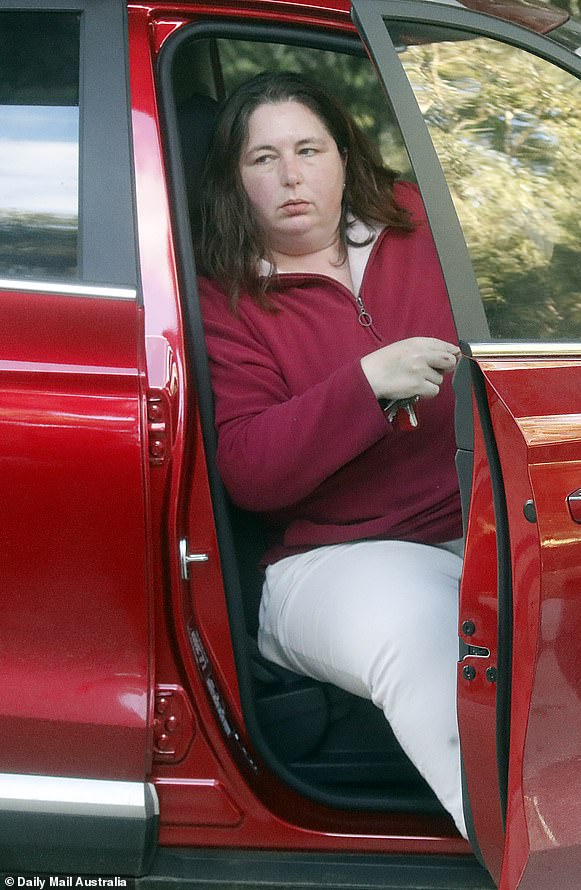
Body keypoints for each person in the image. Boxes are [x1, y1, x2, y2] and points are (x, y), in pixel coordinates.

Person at [197, 72, 466, 838]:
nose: (290, 176)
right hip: (334, 559)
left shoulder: (423, 218)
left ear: (346, 157)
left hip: (486, 521)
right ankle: (541, 861)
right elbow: (249, 469)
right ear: (234, 180)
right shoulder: (224, 298)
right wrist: (366, 387)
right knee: (423, 631)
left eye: (309, 149)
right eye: (263, 159)